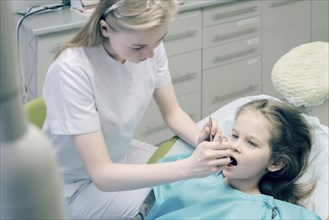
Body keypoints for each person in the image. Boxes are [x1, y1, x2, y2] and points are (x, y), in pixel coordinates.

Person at [42, 0, 230, 219]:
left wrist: (201, 140)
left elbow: (173, 113)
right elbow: (102, 174)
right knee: (178, 201)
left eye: (159, 39)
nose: (149, 54)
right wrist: (188, 167)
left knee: (204, 179)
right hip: (74, 185)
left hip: (118, 154)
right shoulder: (72, 70)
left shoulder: (149, 44)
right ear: (105, 29)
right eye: (138, 47)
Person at [144, 99, 320, 219]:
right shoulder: (197, 172)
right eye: (235, 135)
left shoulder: (266, 212)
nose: (235, 145)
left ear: (275, 163)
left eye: (251, 143)